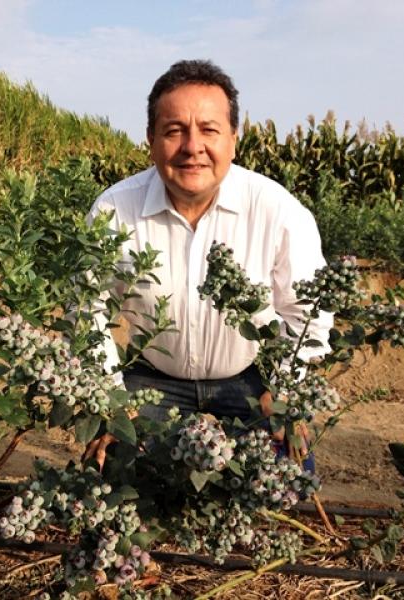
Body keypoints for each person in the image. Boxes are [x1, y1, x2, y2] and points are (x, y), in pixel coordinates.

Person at [84, 59, 332, 468]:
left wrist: (285, 389)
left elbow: (310, 313)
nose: (192, 147)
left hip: (249, 379)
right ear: (151, 139)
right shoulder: (114, 210)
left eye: (209, 130)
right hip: (152, 377)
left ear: (233, 139)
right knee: (113, 471)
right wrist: (111, 398)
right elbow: (87, 310)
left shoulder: (277, 210)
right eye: (174, 131)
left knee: (285, 477)